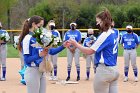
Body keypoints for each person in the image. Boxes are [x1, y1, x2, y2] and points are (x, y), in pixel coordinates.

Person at [66, 9, 119, 93]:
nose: (97, 24)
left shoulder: (104, 35)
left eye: (98, 22)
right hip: (115, 70)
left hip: (104, 71)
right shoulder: (114, 33)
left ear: (104, 21)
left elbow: (89, 51)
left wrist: (76, 44)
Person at [18, 16, 47, 93]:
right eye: (39, 25)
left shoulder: (39, 37)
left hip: (41, 70)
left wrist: (63, 46)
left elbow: (51, 51)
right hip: (32, 71)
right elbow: (27, 59)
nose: (41, 28)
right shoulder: (27, 38)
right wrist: (39, 55)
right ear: (34, 24)